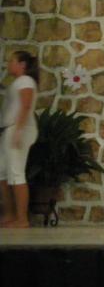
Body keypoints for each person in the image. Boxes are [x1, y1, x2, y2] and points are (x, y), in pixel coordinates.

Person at [0, 51, 39, 228]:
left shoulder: (25, 81)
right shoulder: (18, 82)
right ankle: (10, 214)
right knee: (2, 173)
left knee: (16, 173)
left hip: (18, 128)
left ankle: (22, 219)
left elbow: (26, 104)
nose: (8, 64)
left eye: (11, 61)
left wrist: (19, 130)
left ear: (22, 64)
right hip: (11, 129)